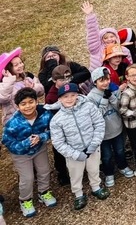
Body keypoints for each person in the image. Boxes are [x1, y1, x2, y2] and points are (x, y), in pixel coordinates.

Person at [48, 82, 110, 211]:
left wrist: (95, 143)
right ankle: (78, 194)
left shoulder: (89, 107)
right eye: (65, 96)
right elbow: (58, 142)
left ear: (77, 95)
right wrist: (75, 154)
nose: (69, 99)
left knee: (94, 169)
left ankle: (96, 187)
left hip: (92, 147)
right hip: (74, 153)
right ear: (60, 99)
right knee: (75, 174)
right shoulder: (56, 119)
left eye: (72, 95)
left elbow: (99, 123)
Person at [1, 87, 57, 218]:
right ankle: (25, 200)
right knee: (27, 177)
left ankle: (44, 192)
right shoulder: (12, 123)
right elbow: (7, 142)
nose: (28, 106)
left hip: (39, 148)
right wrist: (25, 144)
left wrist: (42, 137)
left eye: (31, 102)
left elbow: (54, 130)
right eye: (23, 104)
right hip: (21, 154)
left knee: (44, 170)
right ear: (18, 106)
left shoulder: (45, 114)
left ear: (37, 101)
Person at [85, 68, 133, 188]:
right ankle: (109, 173)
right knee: (106, 155)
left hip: (116, 128)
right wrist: (105, 100)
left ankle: (123, 166)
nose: (105, 83)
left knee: (120, 150)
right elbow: (96, 115)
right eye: (101, 80)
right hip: (103, 133)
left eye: (107, 79)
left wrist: (111, 97)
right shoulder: (91, 97)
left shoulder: (112, 90)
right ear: (95, 82)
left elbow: (119, 108)